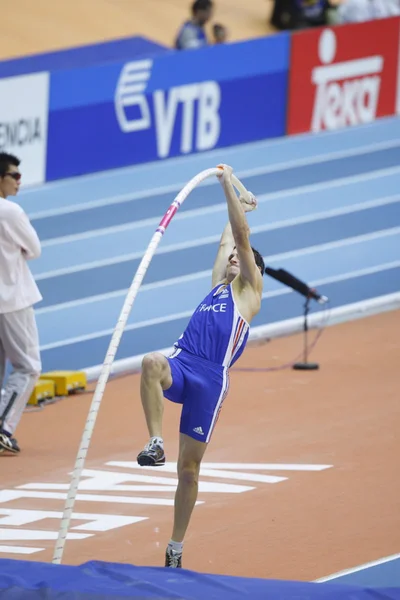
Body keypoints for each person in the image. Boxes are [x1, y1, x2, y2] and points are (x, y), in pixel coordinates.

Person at [136, 164, 265, 568]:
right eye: (227, 257)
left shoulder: (249, 294)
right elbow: (230, 233)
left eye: (237, 259)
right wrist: (237, 198)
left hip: (211, 380)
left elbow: (241, 235)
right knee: (151, 362)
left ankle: (175, 546)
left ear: (252, 269)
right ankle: (154, 442)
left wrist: (228, 184)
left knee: (188, 470)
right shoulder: (217, 286)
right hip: (184, 360)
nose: (230, 258)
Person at [0, 152, 42, 454]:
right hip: (11, 299)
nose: (19, 180)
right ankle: (3, 427)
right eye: (14, 175)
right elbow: (34, 249)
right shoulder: (10, 212)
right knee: (27, 367)